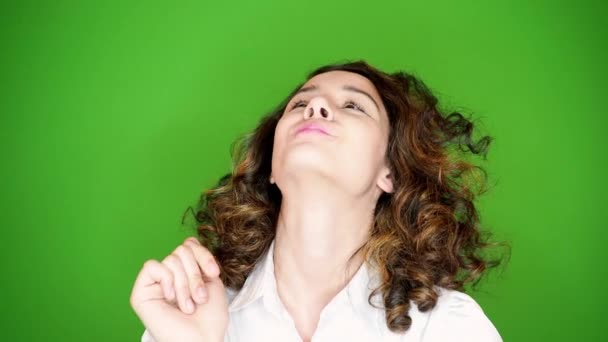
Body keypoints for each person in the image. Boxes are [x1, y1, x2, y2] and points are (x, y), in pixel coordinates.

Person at [129, 59, 507, 342]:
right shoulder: (191, 313)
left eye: (353, 106)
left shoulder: (446, 326)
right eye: (300, 104)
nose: (315, 109)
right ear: (273, 167)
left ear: (389, 172)